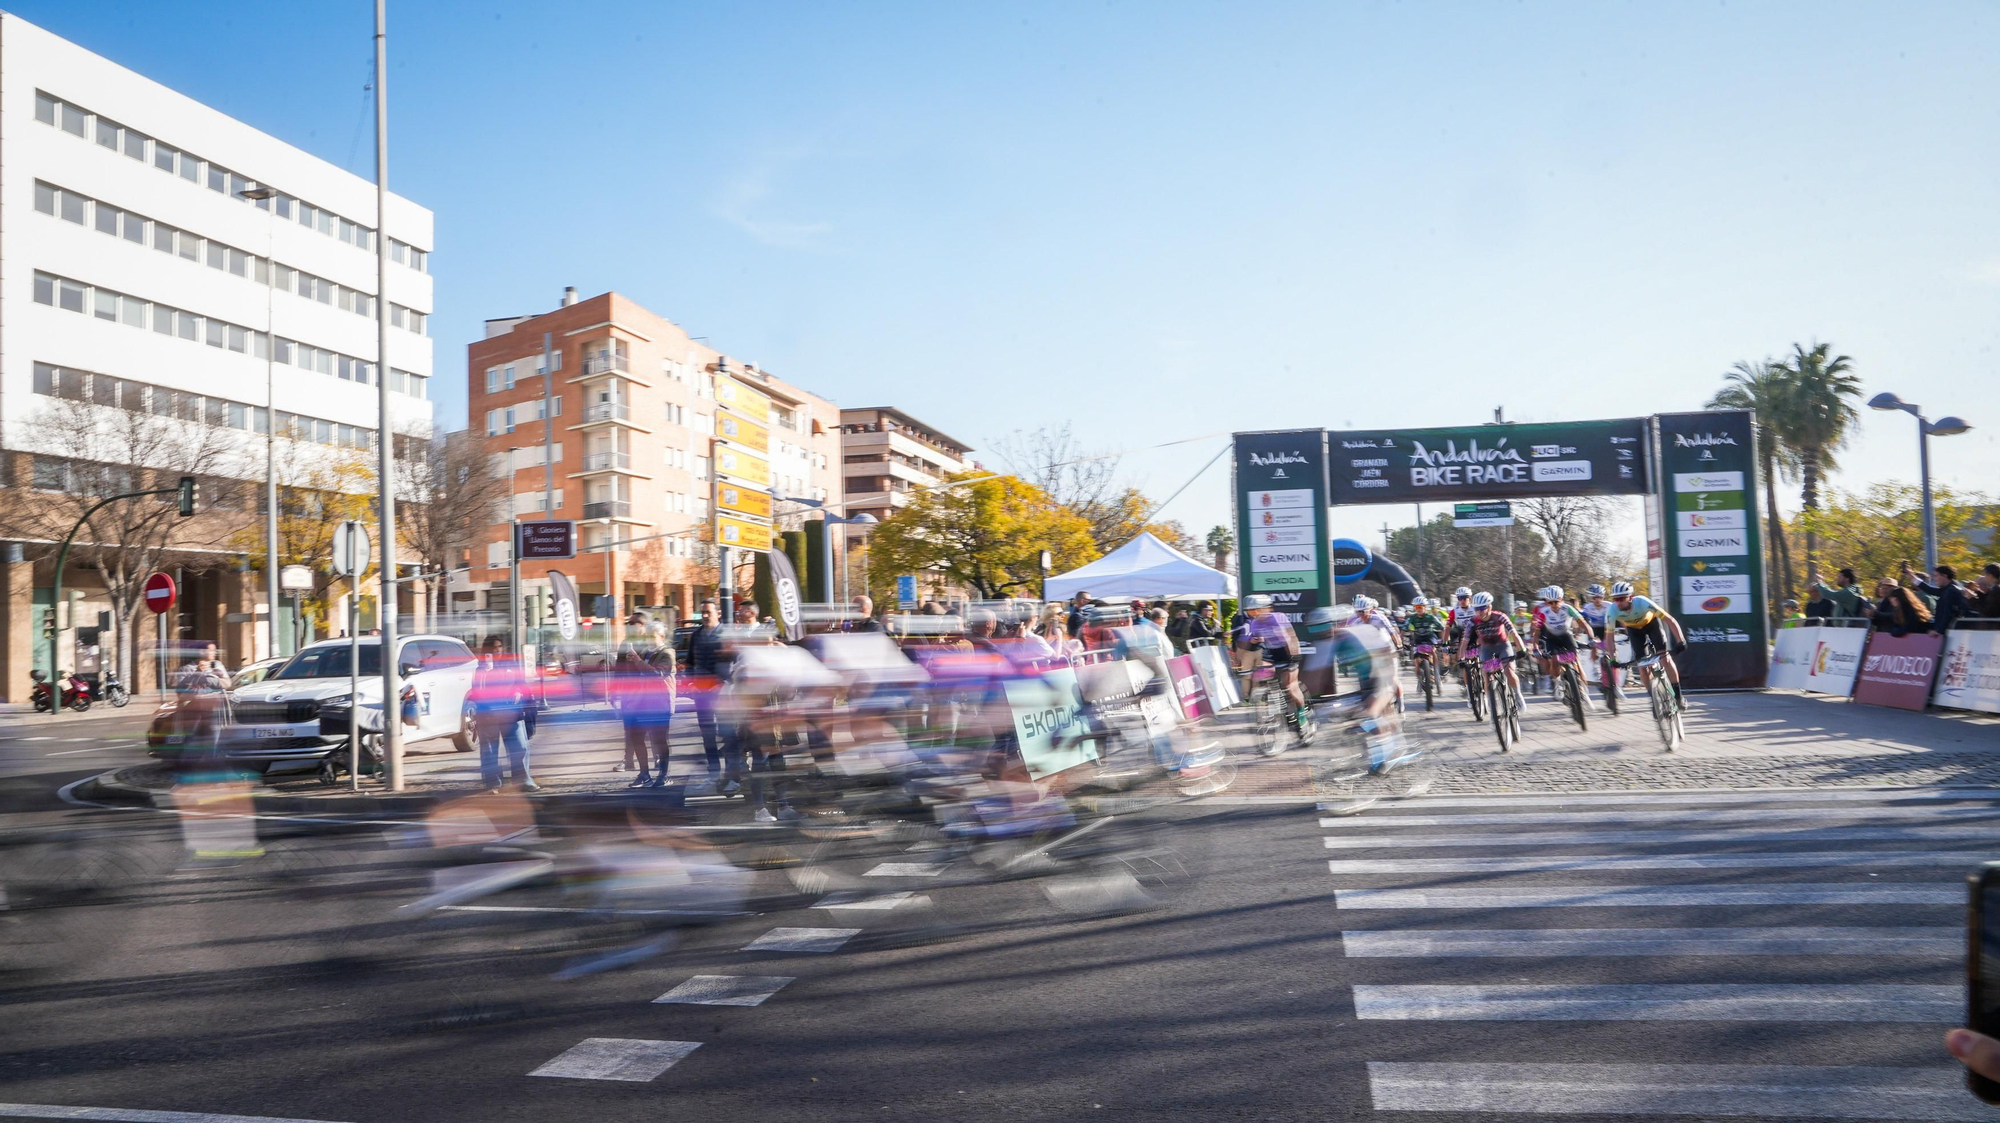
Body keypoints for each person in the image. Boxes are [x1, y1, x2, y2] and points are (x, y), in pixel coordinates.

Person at [469, 636, 538, 794]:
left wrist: (518, 692)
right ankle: (492, 783)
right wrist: (485, 672)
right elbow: (477, 690)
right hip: (488, 714)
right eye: (493, 647)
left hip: (511, 713)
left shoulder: (510, 665)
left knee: (519, 747)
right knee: (489, 750)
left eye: (499, 646)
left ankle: (523, 780)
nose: (497, 650)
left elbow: (521, 684)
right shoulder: (480, 668)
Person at [1606, 580, 1689, 705]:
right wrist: (1613, 659)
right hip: (1634, 631)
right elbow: (1609, 637)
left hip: (1651, 625)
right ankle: (1654, 699)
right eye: (1615, 599)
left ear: (1630, 597)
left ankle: (1678, 696)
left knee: (1664, 658)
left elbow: (1669, 620)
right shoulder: (1612, 611)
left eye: (1621, 598)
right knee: (1642, 667)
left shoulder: (1643, 602)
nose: (1618, 602)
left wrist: (1680, 641)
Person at [1240, 594, 1308, 732]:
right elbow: (1251, 644)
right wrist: (1252, 642)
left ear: (1267, 609)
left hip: (1289, 651)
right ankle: (1281, 711)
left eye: (1256, 611)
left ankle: (1302, 715)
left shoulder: (1278, 617)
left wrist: (1293, 656)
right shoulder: (1254, 623)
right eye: (1250, 612)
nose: (1254, 615)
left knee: (1290, 686)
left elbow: (1291, 637)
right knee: (1267, 679)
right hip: (1273, 653)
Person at [685, 600, 729, 783]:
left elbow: (733, 662)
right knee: (707, 734)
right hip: (701, 693)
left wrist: (724, 682)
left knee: (727, 733)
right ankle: (714, 772)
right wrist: (690, 684)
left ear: (717, 613)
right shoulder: (696, 635)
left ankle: (732, 773)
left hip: (722, 692)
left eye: (708, 612)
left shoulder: (726, 634)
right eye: (702, 612)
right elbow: (689, 661)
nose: (704, 615)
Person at [1457, 591, 1524, 707]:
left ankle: (1518, 695)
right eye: (1476, 609)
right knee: (1486, 674)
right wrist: (1461, 658)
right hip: (1487, 648)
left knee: (1509, 672)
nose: (1479, 612)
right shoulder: (1473, 621)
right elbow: (1465, 640)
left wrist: (1521, 648)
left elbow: (1513, 633)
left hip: (1503, 646)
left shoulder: (1500, 616)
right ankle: (1491, 705)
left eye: (1482, 609)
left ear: (1489, 607)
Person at [1531, 586, 1592, 690]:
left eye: (1556, 602)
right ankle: (1558, 682)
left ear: (1562, 600)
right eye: (1551, 603)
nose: (1554, 605)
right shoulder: (1543, 613)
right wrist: (1535, 647)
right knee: (1554, 660)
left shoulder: (1568, 608)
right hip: (1552, 638)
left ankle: (1583, 686)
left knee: (1576, 658)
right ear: (1547, 602)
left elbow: (1583, 623)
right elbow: (1537, 632)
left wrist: (1591, 638)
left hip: (1566, 636)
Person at [1905, 562, 1972, 633]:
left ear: (1945, 576)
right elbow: (1930, 589)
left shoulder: (1951, 591)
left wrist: (1939, 631)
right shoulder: (1948, 588)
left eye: (1936, 576)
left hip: (1949, 632)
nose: (1934, 579)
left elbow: (1948, 613)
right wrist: (1912, 577)